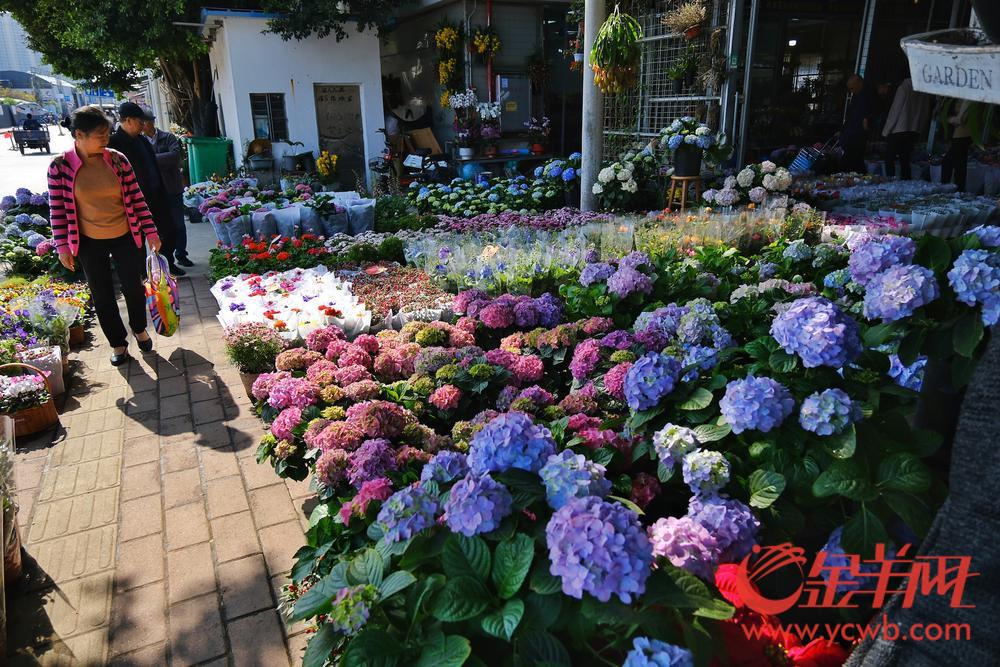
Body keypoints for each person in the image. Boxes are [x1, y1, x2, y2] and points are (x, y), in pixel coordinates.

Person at [47, 105, 161, 366]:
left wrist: (151, 231)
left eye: (107, 135)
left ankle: (139, 329)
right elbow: (57, 210)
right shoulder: (59, 167)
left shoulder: (118, 160)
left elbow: (137, 198)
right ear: (79, 135)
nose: (106, 140)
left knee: (133, 287)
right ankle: (118, 344)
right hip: (88, 241)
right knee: (102, 295)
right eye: (100, 136)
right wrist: (62, 246)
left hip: (124, 234)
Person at [108, 101, 184, 276]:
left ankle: (166, 264)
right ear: (126, 120)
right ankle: (143, 273)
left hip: (157, 195)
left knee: (169, 230)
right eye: (139, 121)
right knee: (138, 240)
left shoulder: (142, 140)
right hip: (132, 201)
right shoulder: (114, 143)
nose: (143, 125)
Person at [142, 115, 193, 266]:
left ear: (152, 122)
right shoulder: (141, 141)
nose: (143, 125)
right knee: (160, 227)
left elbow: (175, 157)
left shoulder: (168, 137)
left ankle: (181, 254)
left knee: (178, 224)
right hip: (154, 191)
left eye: (145, 122)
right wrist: (160, 160)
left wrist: (150, 160)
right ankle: (165, 260)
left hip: (172, 188)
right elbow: (141, 162)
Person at [881, 78, 929, 180]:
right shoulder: (922, 89)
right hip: (913, 129)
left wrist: (886, 131)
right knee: (905, 159)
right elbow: (925, 110)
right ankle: (906, 181)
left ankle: (891, 181)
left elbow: (895, 110)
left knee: (890, 158)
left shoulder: (903, 88)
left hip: (899, 128)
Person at [840, 74, 873, 174]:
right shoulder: (857, 95)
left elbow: (871, 110)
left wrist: (867, 120)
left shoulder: (868, 93)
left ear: (859, 83)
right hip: (853, 129)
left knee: (852, 158)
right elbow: (851, 114)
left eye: (853, 88)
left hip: (859, 131)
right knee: (855, 159)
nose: (851, 91)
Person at [941, 98, 973, 192]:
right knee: (953, 163)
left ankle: (953, 189)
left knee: (955, 164)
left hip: (962, 134)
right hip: (962, 134)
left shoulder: (968, 97)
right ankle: (954, 189)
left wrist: (947, 119)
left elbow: (960, 119)